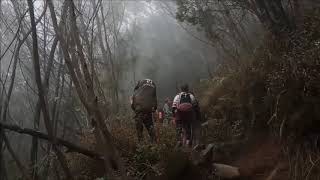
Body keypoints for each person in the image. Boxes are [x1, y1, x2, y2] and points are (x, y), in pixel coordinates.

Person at [131, 79, 157, 143]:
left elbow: (133, 104)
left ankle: (141, 146)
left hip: (139, 111)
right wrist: (153, 109)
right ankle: (154, 145)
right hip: (148, 111)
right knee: (151, 129)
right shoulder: (153, 85)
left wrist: (135, 109)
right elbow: (155, 100)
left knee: (139, 131)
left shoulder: (138, 87)